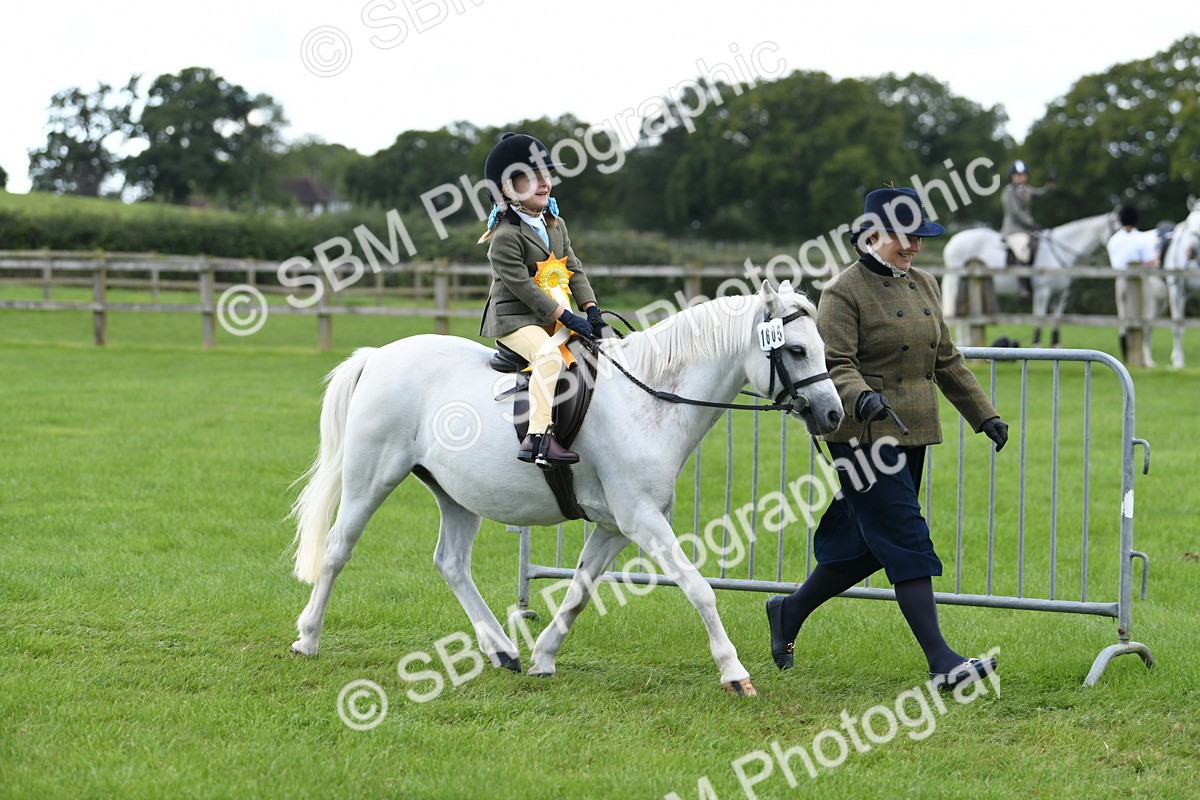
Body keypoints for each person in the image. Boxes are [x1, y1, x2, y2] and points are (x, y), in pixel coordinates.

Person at [766, 187, 1010, 691]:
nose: (914, 247)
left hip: (914, 429)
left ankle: (788, 613)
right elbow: (835, 362)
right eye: (904, 237)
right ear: (871, 235)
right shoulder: (842, 291)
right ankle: (943, 661)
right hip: (862, 435)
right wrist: (860, 397)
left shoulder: (924, 283)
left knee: (866, 546)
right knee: (904, 536)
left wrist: (984, 415)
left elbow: (945, 357)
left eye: (919, 237)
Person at [478, 132, 605, 469]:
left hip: (553, 316)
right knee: (549, 355)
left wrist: (591, 310)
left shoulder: (555, 223)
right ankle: (538, 438)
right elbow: (523, 288)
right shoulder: (504, 237)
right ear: (507, 190)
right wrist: (566, 316)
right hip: (515, 319)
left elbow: (573, 269)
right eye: (530, 177)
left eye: (545, 175)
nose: (543, 182)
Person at [1106, 205, 1160, 364]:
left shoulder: (1113, 240)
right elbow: (1149, 262)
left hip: (1120, 280)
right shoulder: (1143, 238)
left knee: (1124, 320)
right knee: (1141, 318)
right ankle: (1139, 357)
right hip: (1139, 282)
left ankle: (1127, 359)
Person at [1000, 160, 1055, 300]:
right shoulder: (1008, 192)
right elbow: (1015, 212)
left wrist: (1050, 184)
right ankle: (1023, 287)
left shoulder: (1027, 189)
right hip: (1013, 230)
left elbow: (1042, 193)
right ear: (1012, 177)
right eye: (1018, 175)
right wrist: (1032, 223)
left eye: (1024, 175)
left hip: (1026, 229)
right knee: (1023, 250)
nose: (1021, 178)